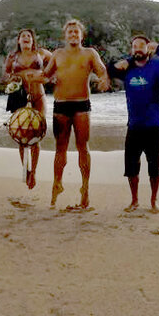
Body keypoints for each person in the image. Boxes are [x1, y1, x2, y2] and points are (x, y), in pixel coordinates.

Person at [108, 34, 159, 213]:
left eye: (142, 45)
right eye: (134, 46)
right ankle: (134, 201)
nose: (138, 49)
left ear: (148, 48)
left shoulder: (156, 66)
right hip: (133, 125)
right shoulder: (128, 68)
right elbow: (108, 71)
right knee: (131, 166)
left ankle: (153, 200)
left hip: (153, 125)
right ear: (131, 50)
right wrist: (122, 63)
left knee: (154, 167)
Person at [42, 19, 110, 209]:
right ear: (65, 35)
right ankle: (57, 184)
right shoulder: (57, 54)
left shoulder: (90, 53)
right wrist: (29, 76)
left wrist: (104, 79)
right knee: (60, 149)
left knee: (83, 147)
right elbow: (45, 75)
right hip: (61, 106)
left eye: (76, 32)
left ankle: (85, 189)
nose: (73, 35)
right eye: (70, 32)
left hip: (82, 105)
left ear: (81, 35)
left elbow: (102, 71)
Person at [2, 28, 52, 189]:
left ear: (32, 40)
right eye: (22, 36)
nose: (26, 38)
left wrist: (47, 77)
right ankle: (26, 169)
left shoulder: (42, 53)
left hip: (38, 97)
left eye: (28, 36)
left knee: (36, 135)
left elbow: (56, 65)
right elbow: (4, 77)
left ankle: (34, 172)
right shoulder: (12, 57)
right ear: (19, 40)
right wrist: (13, 77)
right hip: (19, 98)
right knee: (22, 137)